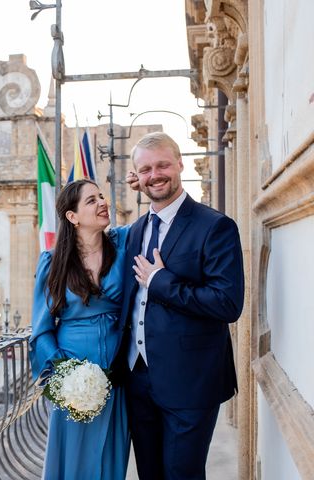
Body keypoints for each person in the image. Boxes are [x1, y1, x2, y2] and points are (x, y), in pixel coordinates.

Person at [121, 132, 244, 479]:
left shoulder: (215, 226)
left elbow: (227, 303)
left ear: (180, 164)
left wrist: (162, 281)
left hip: (191, 381)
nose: (155, 175)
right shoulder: (135, 231)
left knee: (182, 474)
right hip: (138, 378)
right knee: (150, 473)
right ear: (136, 176)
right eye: (145, 169)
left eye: (162, 165)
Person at [30, 179, 130, 480]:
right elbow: (41, 330)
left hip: (117, 375)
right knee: (71, 461)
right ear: (72, 217)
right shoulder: (52, 263)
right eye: (91, 200)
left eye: (102, 196)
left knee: (111, 459)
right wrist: (64, 372)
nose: (103, 203)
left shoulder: (124, 245)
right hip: (74, 381)